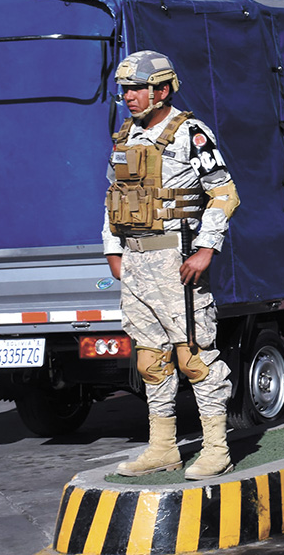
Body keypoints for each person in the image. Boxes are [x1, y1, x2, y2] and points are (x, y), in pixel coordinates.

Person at [104, 50, 241, 480]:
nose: (129, 96)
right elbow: (114, 198)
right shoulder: (126, 135)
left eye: (137, 88)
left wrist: (206, 249)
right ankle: (162, 447)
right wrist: (112, 248)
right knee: (150, 359)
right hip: (137, 260)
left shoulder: (190, 133)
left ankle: (216, 448)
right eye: (125, 89)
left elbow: (224, 193)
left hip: (175, 257)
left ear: (162, 90)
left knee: (194, 357)